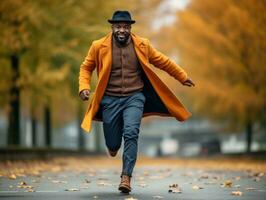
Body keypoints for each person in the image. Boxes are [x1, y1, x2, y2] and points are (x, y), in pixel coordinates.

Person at [78, 10, 195, 193]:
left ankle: (126, 177)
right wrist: (84, 87)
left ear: (130, 28)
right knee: (113, 142)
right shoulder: (98, 45)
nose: (122, 30)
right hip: (109, 99)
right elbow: (86, 67)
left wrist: (182, 76)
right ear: (112, 27)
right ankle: (112, 146)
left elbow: (162, 61)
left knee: (131, 133)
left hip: (135, 97)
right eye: (118, 27)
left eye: (125, 27)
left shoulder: (142, 45)